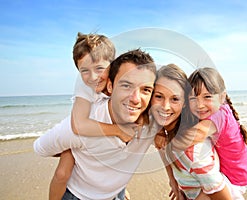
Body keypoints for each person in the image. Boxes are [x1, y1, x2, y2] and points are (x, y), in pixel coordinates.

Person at [34, 48, 157, 200]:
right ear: (110, 87)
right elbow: (40, 148)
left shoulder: (151, 121)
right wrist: (70, 150)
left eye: (145, 89)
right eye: (126, 85)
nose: (136, 98)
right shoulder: (82, 125)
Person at [49, 32, 134, 200]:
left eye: (100, 69)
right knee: (62, 172)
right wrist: (117, 130)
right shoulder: (84, 86)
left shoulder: (118, 82)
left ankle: (120, 190)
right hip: (83, 132)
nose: (93, 76)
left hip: (105, 147)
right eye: (85, 70)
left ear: (112, 65)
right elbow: (78, 125)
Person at [169, 67, 247, 199]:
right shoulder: (216, 111)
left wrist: (166, 139)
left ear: (222, 97)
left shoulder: (219, 114)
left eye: (207, 97)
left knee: (202, 195)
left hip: (234, 180)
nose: (200, 105)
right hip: (234, 173)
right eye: (193, 98)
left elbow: (195, 135)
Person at [152, 64, 232, 200]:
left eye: (175, 99)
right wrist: (173, 180)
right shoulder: (164, 134)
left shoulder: (194, 151)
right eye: (159, 96)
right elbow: (164, 150)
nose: (165, 107)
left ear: (185, 102)